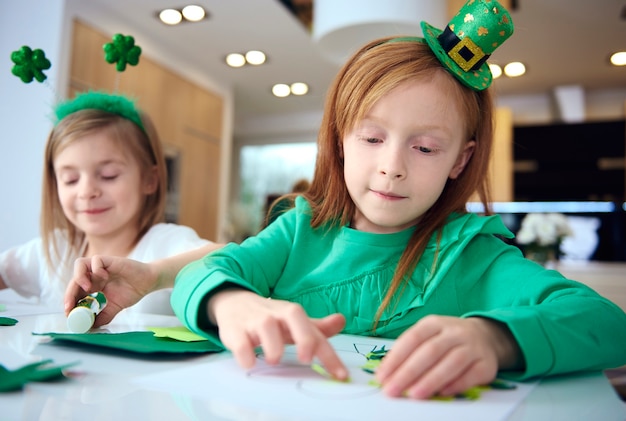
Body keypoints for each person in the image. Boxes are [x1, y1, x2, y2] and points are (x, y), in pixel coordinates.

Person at [66, 0, 626, 400]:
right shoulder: (298, 230)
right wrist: (230, 303)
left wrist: (494, 338)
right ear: (340, 139)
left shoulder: (473, 257)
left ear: (460, 161)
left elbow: (606, 323)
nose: (392, 165)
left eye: (426, 146)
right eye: (373, 137)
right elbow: (206, 271)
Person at [0, 91, 220, 319]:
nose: (86, 192)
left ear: (149, 180)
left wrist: (154, 274)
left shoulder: (163, 243)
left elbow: (226, 257)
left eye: (108, 175)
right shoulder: (53, 251)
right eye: (70, 180)